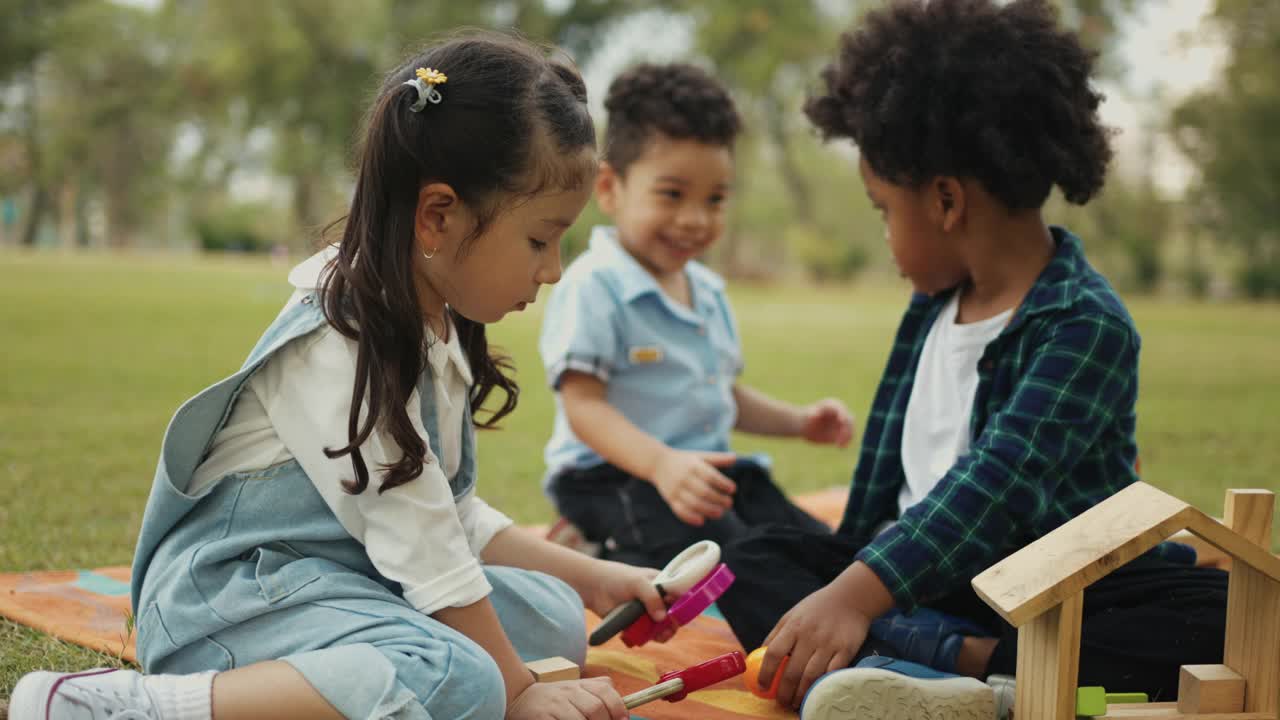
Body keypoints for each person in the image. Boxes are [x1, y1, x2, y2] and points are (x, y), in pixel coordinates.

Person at [9, 33, 670, 720]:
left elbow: (448, 515)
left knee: (556, 616)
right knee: (465, 680)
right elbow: (425, 547)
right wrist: (520, 691)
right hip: (232, 604)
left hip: (343, 580)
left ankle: (368, 670)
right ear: (438, 217)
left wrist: (596, 578)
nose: (554, 269)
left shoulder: (430, 317)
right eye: (539, 239)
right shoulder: (341, 341)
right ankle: (137, 706)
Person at [712, 2, 1230, 718]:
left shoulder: (1085, 326)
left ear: (947, 200)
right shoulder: (931, 307)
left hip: (1052, 593)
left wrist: (854, 596)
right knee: (750, 561)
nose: (886, 236)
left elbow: (997, 485)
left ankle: (950, 663)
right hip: (926, 578)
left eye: (883, 210)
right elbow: (879, 500)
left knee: (1222, 613)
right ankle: (932, 671)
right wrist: (847, 575)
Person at [539, 62, 855, 570]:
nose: (696, 219)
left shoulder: (705, 290)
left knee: (806, 537)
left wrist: (799, 422)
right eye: (672, 194)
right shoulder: (595, 284)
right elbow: (584, 407)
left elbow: (721, 392)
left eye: (715, 199)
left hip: (697, 470)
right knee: (734, 562)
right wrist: (661, 463)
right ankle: (606, 549)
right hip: (608, 477)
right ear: (610, 188)